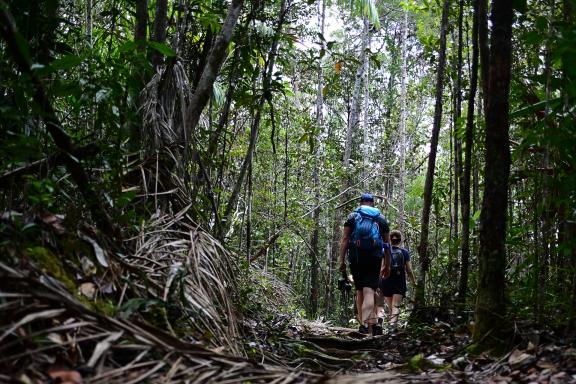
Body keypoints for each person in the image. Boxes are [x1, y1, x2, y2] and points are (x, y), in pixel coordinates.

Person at [338, 193, 391, 335]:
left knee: (359, 290)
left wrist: (341, 260)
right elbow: (387, 244)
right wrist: (387, 263)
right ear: (372, 203)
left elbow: (345, 239)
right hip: (374, 256)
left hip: (356, 255)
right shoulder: (380, 218)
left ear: (360, 203)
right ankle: (369, 324)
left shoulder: (352, 216)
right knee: (369, 290)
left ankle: (364, 326)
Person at [379, 229, 416, 326]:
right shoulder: (404, 252)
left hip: (386, 280)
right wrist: (413, 282)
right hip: (399, 281)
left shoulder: (385, 252)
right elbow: (409, 270)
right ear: (400, 240)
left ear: (390, 240)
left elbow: (382, 267)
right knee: (396, 306)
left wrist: (378, 282)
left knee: (391, 307)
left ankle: (391, 328)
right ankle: (392, 328)